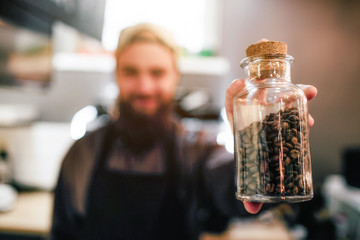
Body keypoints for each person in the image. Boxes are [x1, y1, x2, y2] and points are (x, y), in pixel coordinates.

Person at [50, 23, 317, 240]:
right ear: (116, 75)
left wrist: (262, 143)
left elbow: (229, 189)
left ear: (175, 75)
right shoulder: (82, 153)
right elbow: (62, 234)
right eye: (131, 72)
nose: (144, 87)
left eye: (157, 72)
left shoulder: (197, 147)